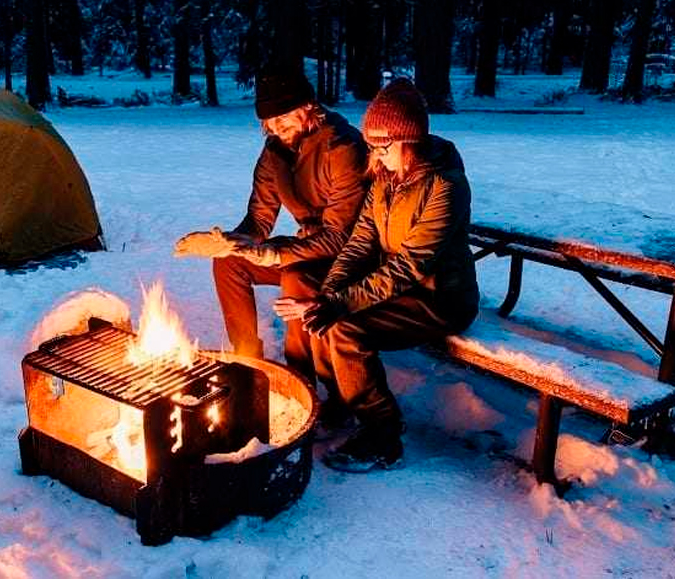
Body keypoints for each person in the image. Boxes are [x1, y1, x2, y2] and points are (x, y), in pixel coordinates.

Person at [273, 78, 480, 473]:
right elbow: (360, 243)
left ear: (409, 142)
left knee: (345, 328)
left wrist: (334, 304)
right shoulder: (385, 179)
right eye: (372, 145)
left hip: (440, 299)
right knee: (322, 312)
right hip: (397, 288)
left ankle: (383, 435)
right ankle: (341, 402)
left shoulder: (445, 186)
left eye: (382, 147)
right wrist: (329, 294)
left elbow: (410, 266)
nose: (375, 154)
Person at [174, 69, 369, 383]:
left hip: (354, 259)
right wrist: (227, 242)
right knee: (229, 263)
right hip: (309, 250)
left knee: (295, 277)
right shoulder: (275, 151)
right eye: (270, 121)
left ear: (307, 107)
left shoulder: (342, 148)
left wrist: (274, 255)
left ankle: (303, 379)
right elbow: (258, 220)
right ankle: (248, 363)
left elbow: (340, 236)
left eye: (285, 116)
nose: (278, 126)